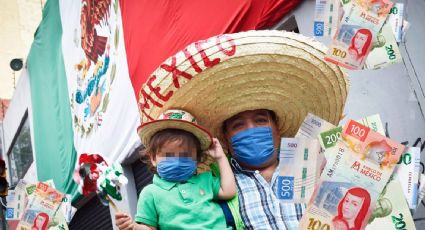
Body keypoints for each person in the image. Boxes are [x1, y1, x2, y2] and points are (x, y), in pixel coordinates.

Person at [115, 109, 236, 230]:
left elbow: (229, 191)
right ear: (153, 158)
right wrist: (134, 227)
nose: (177, 161)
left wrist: (220, 157)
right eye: (168, 155)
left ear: (197, 159)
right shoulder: (150, 193)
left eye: (185, 155)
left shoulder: (205, 180)